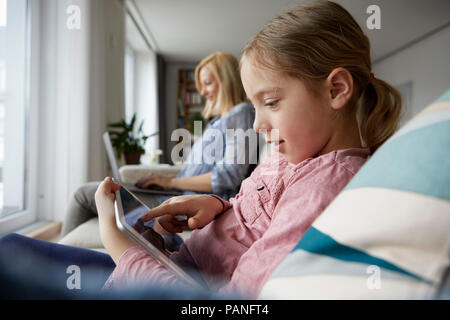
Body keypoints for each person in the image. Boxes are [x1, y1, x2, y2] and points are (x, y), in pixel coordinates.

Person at [0, 1, 402, 299]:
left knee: (9, 259)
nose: (258, 125)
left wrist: (116, 243)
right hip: (170, 259)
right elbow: (251, 209)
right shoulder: (291, 153)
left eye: (272, 102)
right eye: (256, 104)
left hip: (156, 280)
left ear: (336, 89)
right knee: (11, 246)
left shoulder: (323, 191)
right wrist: (216, 206)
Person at [61, 52, 257, 237]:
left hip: (185, 204)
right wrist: (164, 182)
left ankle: (59, 262)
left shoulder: (241, 113)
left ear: (227, 81)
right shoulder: (219, 121)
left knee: (84, 194)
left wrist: (170, 182)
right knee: (99, 192)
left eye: (208, 83)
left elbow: (228, 176)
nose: (203, 92)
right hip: (175, 196)